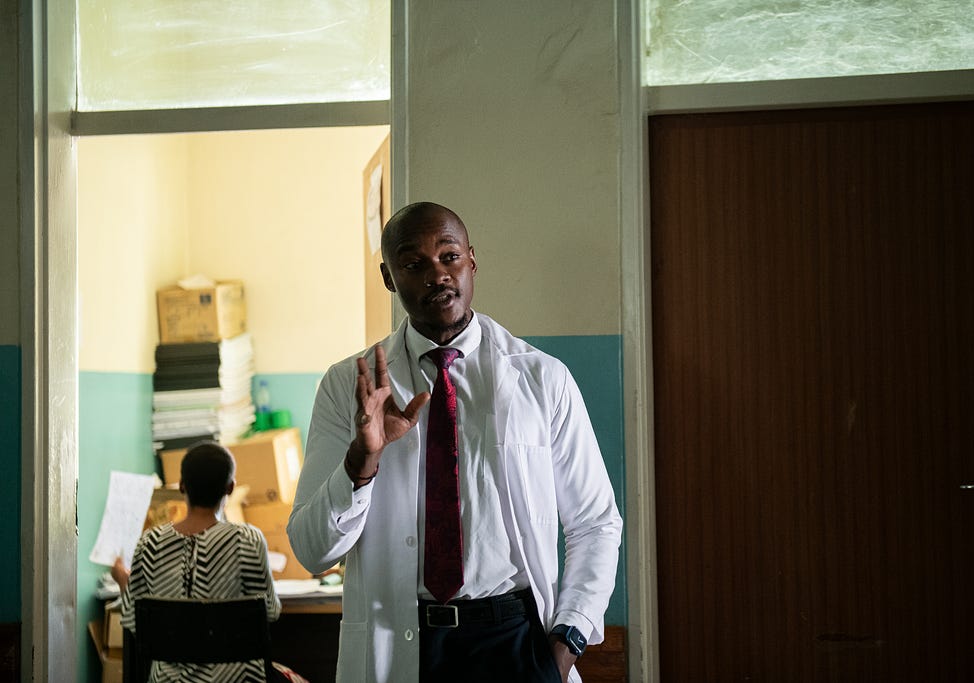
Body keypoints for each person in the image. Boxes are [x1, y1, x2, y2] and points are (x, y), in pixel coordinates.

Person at [287, 201, 623, 683]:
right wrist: (362, 460)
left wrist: (567, 642)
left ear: (472, 260)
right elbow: (313, 551)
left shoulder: (542, 378)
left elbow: (595, 523)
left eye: (449, 256)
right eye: (413, 264)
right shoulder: (349, 387)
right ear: (388, 277)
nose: (437, 275)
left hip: (515, 644)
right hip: (402, 644)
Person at [113, 441, 292, 682]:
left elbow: (138, 622)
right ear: (230, 488)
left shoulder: (150, 543)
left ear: (182, 486)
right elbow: (270, 611)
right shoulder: (247, 540)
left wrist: (123, 580)